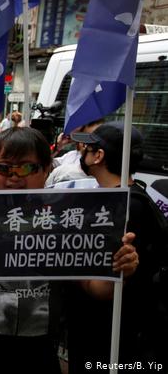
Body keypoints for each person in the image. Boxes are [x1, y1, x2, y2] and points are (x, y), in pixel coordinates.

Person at [0, 127, 138, 374]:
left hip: (40, 357)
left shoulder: (67, 221)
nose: (14, 178)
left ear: (47, 168)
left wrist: (118, 268)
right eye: (4, 168)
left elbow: (96, 288)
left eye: (27, 168)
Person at [70, 121, 166, 371]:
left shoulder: (124, 207)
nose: (82, 152)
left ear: (98, 156)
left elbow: (106, 280)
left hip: (112, 336)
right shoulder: (125, 198)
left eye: (87, 148)